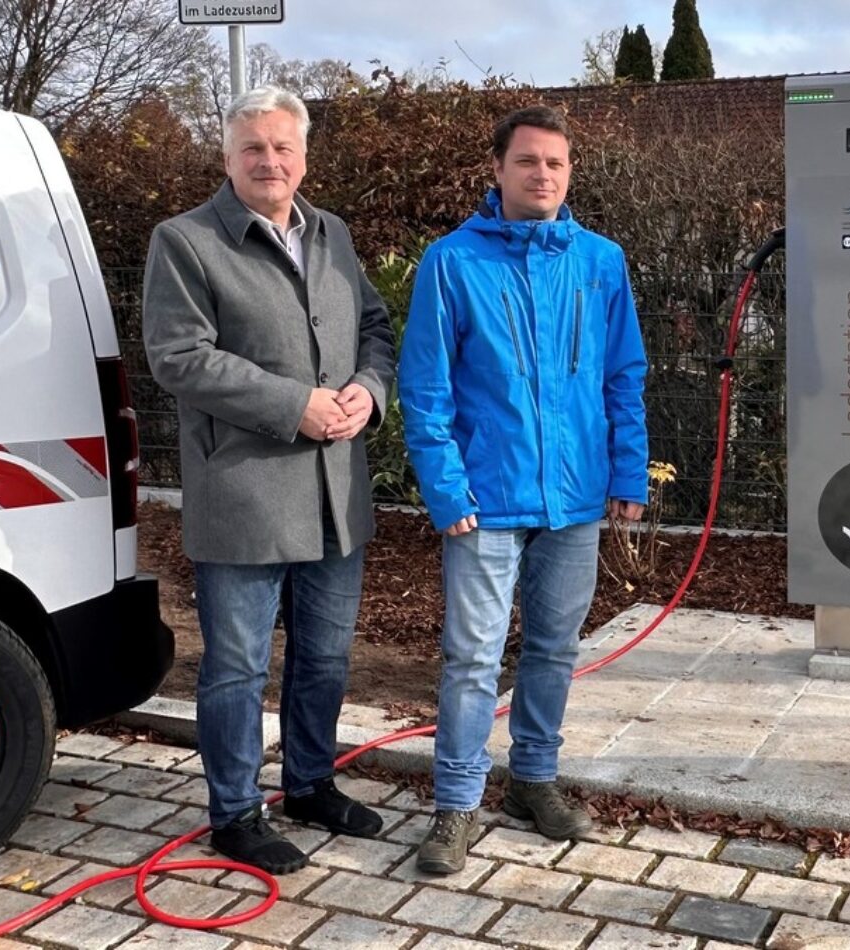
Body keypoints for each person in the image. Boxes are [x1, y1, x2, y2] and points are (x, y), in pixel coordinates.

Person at [143, 86, 396, 874]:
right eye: (253, 147)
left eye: (283, 147)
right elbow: (180, 357)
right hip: (244, 496)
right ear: (227, 158)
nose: (269, 160)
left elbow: (376, 328)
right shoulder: (184, 241)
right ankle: (235, 812)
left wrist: (368, 391)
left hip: (334, 497)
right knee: (236, 669)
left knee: (324, 658)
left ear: (304, 157)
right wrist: (296, 406)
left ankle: (310, 784)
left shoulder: (332, 234)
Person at [399, 105, 650, 874]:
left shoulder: (601, 261)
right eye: (528, 161)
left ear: (569, 173)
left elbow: (623, 374)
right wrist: (446, 490)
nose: (543, 174)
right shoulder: (452, 262)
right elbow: (426, 386)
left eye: (555, 163)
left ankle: (533, 781)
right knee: (472, 656)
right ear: (498, 169)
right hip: (485, 501)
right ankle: (456, 804)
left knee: (554, 647)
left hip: (574, 499)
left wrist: (627, 471)